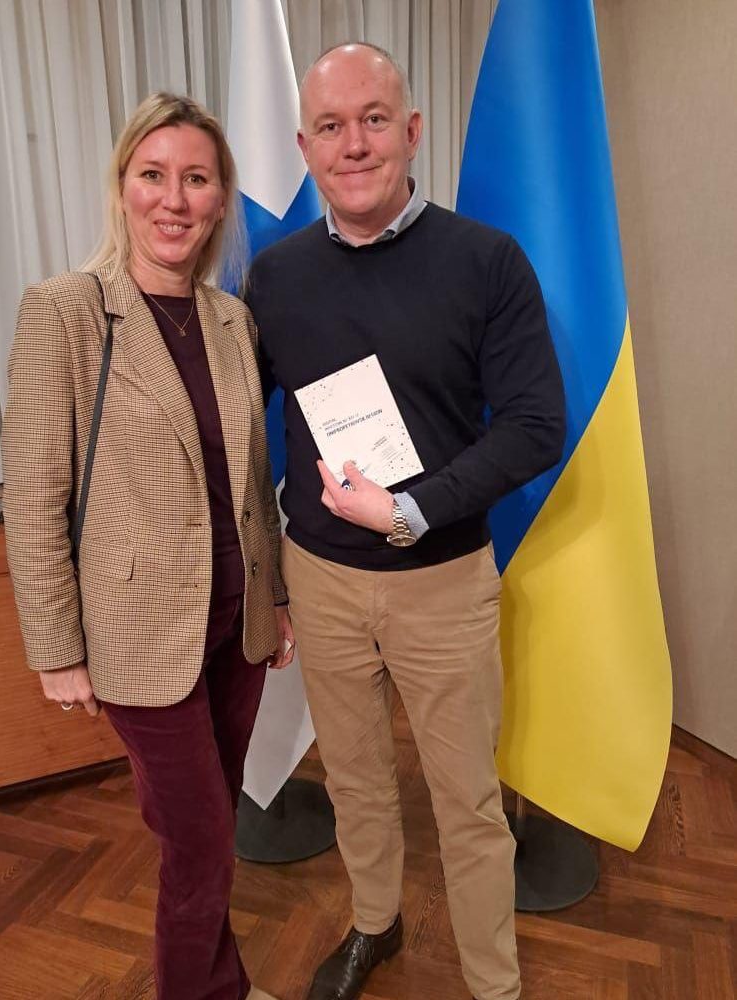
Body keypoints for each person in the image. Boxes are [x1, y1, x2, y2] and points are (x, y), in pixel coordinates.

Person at [246, 44, 566, 1000]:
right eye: (331, 127)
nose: (354, 144)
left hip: (442, 583)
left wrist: (412, 509)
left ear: (412, 131)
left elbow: (535, 424)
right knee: (354, 780)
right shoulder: (274, 278)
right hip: (321, 581)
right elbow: (238, 424)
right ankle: (374, 926)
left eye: (374, 119)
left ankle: (492, 984)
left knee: (467, 803)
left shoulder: (486, 262)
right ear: (305, 148)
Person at [2, 91, 293, 1000]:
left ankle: (222, 986)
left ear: (220, 198)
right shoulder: (66, 312)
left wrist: (277, 597)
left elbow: (252, 482)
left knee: (206, 831)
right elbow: (33, 498)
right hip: (136, 635)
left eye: (196, 179)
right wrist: (55, 648)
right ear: (122, 186)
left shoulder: (232, 321)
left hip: (236, 629)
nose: (173, 199)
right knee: (200, 839)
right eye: (153, 175)